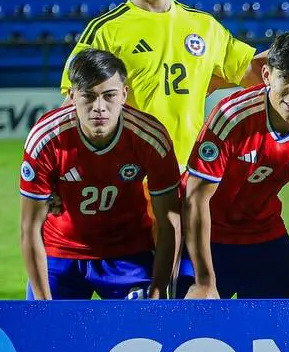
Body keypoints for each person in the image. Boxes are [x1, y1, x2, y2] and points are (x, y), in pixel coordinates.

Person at [61, 0, 259, 166]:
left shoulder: (205, 26)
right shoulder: (105, 31)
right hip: (131, 173)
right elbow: (73, 104)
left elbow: (255, 72)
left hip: (190, 171)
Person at [182, 30, 289, 299]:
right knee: (191, 318)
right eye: (285, 78)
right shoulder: (232, 116)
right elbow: (196, 198)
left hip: (262, 230)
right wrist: (204, 281)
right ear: (267, 75)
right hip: (204, 231)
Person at [20, 50, 181, 300]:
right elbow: (30, 227)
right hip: (59, 255)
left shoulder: (151, 139)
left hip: (129, 255)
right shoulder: (46, 139)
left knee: (142, 325)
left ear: (124, 95)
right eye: (88, 96)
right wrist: (43, 306)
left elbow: (169, 223)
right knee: (43, 324)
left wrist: (158, 291)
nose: (99, 107)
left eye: (109, 96)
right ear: (72, 96)